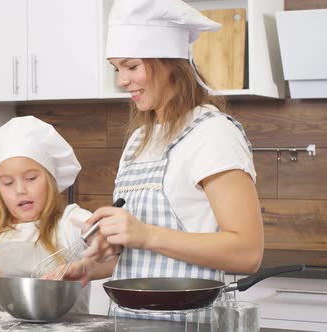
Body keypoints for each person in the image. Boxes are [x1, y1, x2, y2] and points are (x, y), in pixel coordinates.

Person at [64, 0, 264, 319]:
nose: (121, 80)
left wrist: (147, 235)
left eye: (131, 66)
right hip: (130, 322)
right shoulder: (139, 142)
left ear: (169, 62)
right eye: (117, 68)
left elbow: (247, 252)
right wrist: (96, 264)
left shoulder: (213, 134)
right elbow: (140, 256)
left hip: (191, 323)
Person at [0, 115, 92, 313]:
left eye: (31, 178)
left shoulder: (69, 221)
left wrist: (102, 233)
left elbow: (96, 231)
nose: (20, 190)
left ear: (51, 179)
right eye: (7, 183)